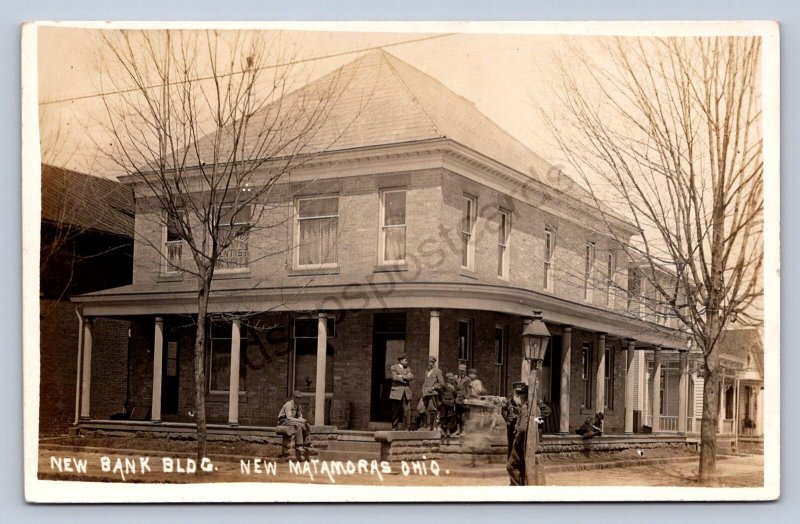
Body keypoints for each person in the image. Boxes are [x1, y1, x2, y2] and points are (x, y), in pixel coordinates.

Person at [277, 394, 311, 460]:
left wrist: (303, 420)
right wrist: (299, 421)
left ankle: (307, 443)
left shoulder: (298, 405)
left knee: (306, 424)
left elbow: (299, 416)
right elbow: (289, 417)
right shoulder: (289, 404)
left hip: (293, 420)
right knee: (298, 425)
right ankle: (299, 445)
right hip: (284, 420)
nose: (298, 399)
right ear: (293, 397)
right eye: (297, 397)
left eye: (299, 398)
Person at [389, 354, 414, 430]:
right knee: (395, 411)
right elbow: (394, 378)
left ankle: (407, 427)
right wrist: (406, 377)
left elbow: (412, 377)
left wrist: (401, 376)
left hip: (406, 393)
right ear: (400, 360)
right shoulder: (393, 367)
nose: (407, 362)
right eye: (405, 360)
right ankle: (394, 427)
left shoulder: (408, 368)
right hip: (396, 392)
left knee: (407, 410)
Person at [420, 355, 445, 430]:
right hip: (425, 392)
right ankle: (424, 425)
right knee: (420, 408)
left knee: (432, 409)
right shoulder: (426, 371)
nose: (430, 363)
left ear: (434, 362)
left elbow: (441, 383)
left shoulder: (438, 371)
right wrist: (423, 389)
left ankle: (430, 426)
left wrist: (433, 387)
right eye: (429, 362)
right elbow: (425, 382)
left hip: (433, 393)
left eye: (432, 362)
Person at [502, 392, 522, 458]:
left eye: (519, 394)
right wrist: (507, 419)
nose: (518, 396)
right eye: (516, 393)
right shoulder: (509, 402)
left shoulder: (525, 403)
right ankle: (510, 463)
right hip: (511, 426)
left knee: (519, 445)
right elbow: (503, 410)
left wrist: (536, 421)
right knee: (511, 445)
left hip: (521, 427)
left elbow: (546, 411)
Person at [454, 364, 471, 435]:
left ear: (465, 371)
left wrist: (467, 398)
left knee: (464, 416)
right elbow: (454, 388)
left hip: (464, 400)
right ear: (458, 370)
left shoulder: (467, 379)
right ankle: (458, 430)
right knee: (457, 415)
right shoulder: (455, 378)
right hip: (457, 399)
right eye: (460, 370)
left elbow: (469, 390)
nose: (461, 372)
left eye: (463, 371)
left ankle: (464, 431)